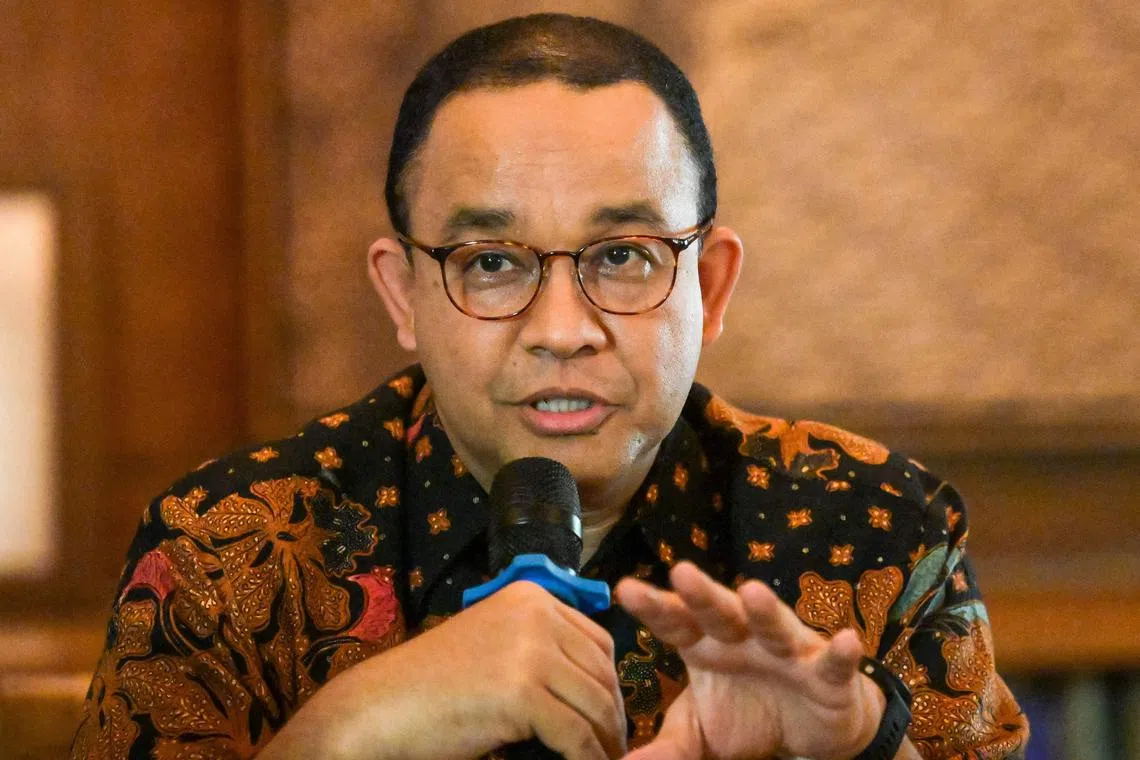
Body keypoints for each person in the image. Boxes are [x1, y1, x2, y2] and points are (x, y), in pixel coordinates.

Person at [72, 13, 1029, 760]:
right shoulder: (226, 548)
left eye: (624, 255)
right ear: (403, 295)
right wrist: (352, 728)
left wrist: (860, 740)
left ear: (710, 286)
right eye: (491, 263)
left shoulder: (875, 528)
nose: (563, 330)